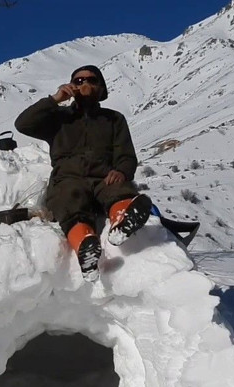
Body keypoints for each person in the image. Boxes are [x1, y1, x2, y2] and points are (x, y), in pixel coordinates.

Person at [15, 65, 152, 281]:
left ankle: (122, 222)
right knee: (68, 198)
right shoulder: (58, 118)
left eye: (91, 80)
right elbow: (22, 124)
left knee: (118, 187)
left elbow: (126, 155)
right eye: (78, 81)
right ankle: (85, 247)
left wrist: (122, 172)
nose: (85, 84)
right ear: (72, 87)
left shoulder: (114, 119)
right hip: (68, 179)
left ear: (101, 87)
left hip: (103, 178)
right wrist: (55, 99)